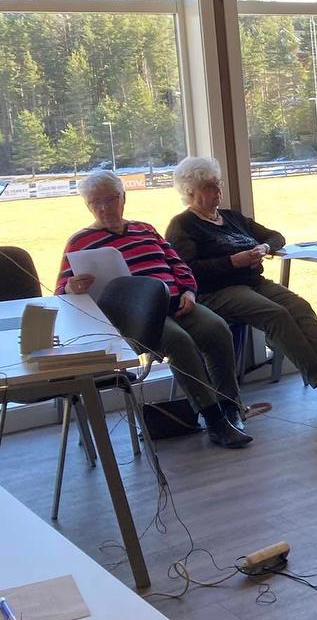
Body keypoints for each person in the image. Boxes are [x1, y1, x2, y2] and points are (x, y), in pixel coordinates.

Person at [57, 170, 249, 449]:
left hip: (176, 302)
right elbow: (61, 292)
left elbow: (178, 264)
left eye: (110, 200)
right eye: (96, 203)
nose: (104, 208)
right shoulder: (80, 242)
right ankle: (214, 420)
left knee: (217, 329)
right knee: (179, 342)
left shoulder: (145, 229)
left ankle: (230, 407)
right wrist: (71, 287)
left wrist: (189, 291)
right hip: (136, 317)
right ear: (88, 207)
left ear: (123, 198)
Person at [165, 156, 317, 401]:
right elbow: (187, 269)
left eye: (218, 183)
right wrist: (232, 261)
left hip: (253, 282)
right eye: (208, 186)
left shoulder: (232, 218)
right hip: (217, 291)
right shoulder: (183, 225)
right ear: (190, 191)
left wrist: (264, 248)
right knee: (276, 315)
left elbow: (276, 237)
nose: (217, 190)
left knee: (300, 306)